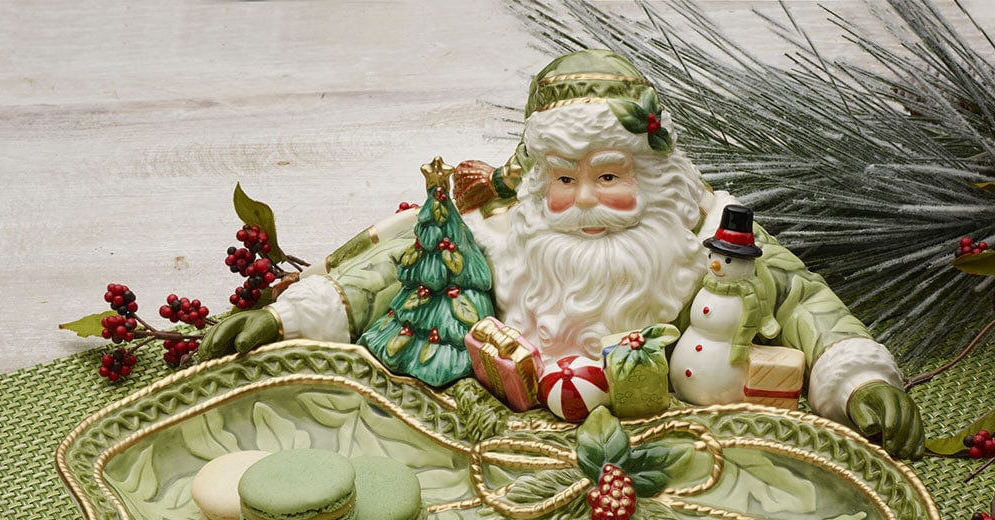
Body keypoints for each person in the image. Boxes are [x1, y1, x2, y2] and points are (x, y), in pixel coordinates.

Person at [199, 49, 924, 459]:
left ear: (650, 174)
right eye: (565, 180)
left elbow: (802, 298)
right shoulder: (503, 228)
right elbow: (398, 266)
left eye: (609, 178)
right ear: (535, 180)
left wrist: (855, 377)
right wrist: (293, 317)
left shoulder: (705, 232)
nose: (583, 201)